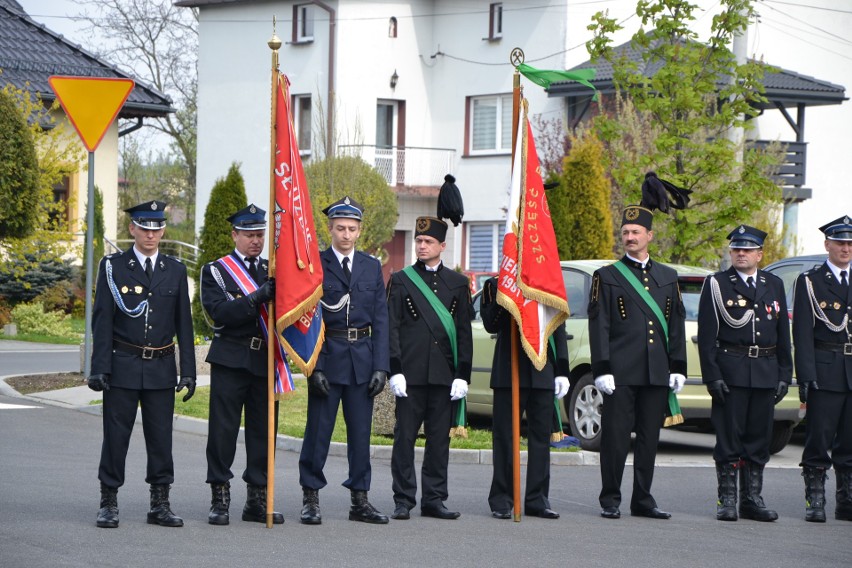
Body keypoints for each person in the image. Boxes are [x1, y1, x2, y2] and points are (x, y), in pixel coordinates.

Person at [88, 200, 196, 528]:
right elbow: (102, 320)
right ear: (132, 229)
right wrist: (99, 367)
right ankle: (109, 501)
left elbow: (184, 325)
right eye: (144, 228)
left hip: (161, 366)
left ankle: (160, 503)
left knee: (161, 438)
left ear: (164, 230)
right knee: (116, 436)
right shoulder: (114, 266)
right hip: (123, 365)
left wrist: (188, 371)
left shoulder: (175, 270)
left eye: (157, 228)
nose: (151, 234)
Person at [588, 205, 686, 520]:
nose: (630, 237)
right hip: (620, 372)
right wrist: (602, 368)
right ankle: (610, 499)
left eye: (635, 233)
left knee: (648, 438)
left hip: (655, 371)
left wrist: (678, 366)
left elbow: (675, 325)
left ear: (650, 236)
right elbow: (599, 324)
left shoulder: (668, 277)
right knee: (616, 438)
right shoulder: (607, 276)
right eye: (626, 233)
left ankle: (642, 499)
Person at [298, 196, 390, 525]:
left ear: (360, 230)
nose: (346, 235)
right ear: (330, 229)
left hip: (362, 362)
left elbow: (381, 319)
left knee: (360, 436)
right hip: (328, 357)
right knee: (318, 432)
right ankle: (310, 497)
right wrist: (314, 367)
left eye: (352, 229)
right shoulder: (315, 265)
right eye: (340, 228)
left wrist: (381, 365)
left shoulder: (370, 266)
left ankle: (360, 500)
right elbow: (308, 319)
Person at [697, 225, 792, 522]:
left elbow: (781, 332)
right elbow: (707, 335)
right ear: (730, 252)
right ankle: (727, 500)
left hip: (765, 371)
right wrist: (712, 376)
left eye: (748, 249)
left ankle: (751, 499)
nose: (741, 253)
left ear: (759, 254)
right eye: (737, 249)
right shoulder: (717, 284)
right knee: (729, 439)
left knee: (758, 439)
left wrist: (784, 374)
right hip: (731, 371)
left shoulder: (773, 284)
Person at [199, 204, 283, 526]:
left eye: (260, 235)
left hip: (263, 358)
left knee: (264, 432)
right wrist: (256, 298)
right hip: (231, 359)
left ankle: (257, 498)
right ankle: (220, 496)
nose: (255, 241)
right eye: (249, 235)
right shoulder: (217, 271)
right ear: (234, 234)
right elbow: (221, 313)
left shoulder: (273, 269)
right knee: (223, 431)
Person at [386, 216, 473, 520]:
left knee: (439, 440)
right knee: (404, 438)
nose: (421, 246)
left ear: (442, 246)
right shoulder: (401, 280)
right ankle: (403, 499)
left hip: (443, 376)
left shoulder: (459, 284)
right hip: (409, 376)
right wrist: (394, 369)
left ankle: (434, 499)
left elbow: (464, 333)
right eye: (418, 241)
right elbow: (392, 328)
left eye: (428, 242)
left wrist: (463, 375)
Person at [480, 278, 570, 520]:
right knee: (505, 438)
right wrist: (507, 292)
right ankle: (501, 499)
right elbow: (490, 324)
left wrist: (562, 370)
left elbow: (558, 326)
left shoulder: (545, 279)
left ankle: (537, 499)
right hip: (509, 370)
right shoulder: (496, 283)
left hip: (542, 368)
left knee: (541, 439)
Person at [792, 215, 852, 523]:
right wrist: (806, 376)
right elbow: (802, 333)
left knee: (850, 440)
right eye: (840, 242)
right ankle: (815, 499)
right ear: (827, 244)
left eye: (849, 243)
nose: (845, 247)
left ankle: (847, 499)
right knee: (819, 438)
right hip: (825, 369)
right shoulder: (811, 281)